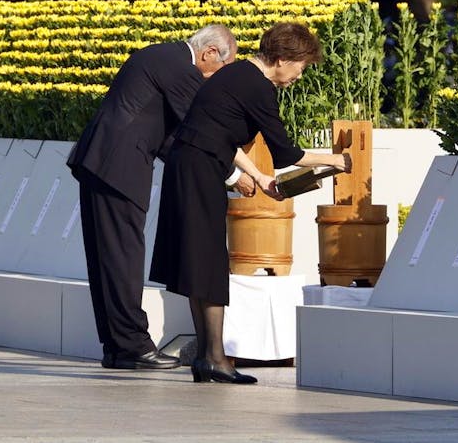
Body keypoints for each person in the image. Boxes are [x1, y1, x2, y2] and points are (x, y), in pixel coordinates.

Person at [150, 22, 351, 384]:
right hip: (198, 169)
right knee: (209, 261)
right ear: (282, 58)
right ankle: (214, 359)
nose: (298, 76)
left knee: (199, 262)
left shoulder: (238, 75)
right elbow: (285, 151)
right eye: (300, 67)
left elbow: (220, 134)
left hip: (191, 165)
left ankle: (208, 358)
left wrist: (258, 177)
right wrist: (332, 160)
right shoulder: (257, 86)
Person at [67, 24, 256, 370]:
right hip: (119, 167)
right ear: (209, 53)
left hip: (101, 162)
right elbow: (201, 129)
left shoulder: (161, 56)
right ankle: (134, 346)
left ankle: (118, 347)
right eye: (221, 69)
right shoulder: (181, 67)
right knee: (123, 257)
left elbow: (173, 138)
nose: (215, 81)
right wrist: (235, 175)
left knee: (107, 259)